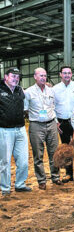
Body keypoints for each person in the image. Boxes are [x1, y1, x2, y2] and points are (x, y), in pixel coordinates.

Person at [24, 68, 62, 190]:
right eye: (41, 75)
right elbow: (25, 109)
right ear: (35, 76)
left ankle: (55, 177)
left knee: (54, 153)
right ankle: (41, 180)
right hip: (36, 125)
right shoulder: (28, 92)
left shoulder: (51, 91)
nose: (43, 78)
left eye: (45, 76)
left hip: (51, 124)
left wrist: (56, 122)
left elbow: (53, 107)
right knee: (38, 155)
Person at [0, 67, 32, 195]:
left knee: (23, 159)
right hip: (4, 130)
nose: (16, 79)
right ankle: (5, 188)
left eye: (18, 77)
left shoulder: (20, 90)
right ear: (6, 77)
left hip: (20, 128)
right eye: (13, 76)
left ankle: (20, 184)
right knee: (5, 161)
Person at [53, 66, 74, 183]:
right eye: (64, 73)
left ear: (72, 74)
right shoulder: (55, 89)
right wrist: (56, 122)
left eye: (69, 73)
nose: (67, 75)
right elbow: (52, 106)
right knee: (66, 149)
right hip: (62, 123)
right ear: (60, 74)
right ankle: (68, 174)